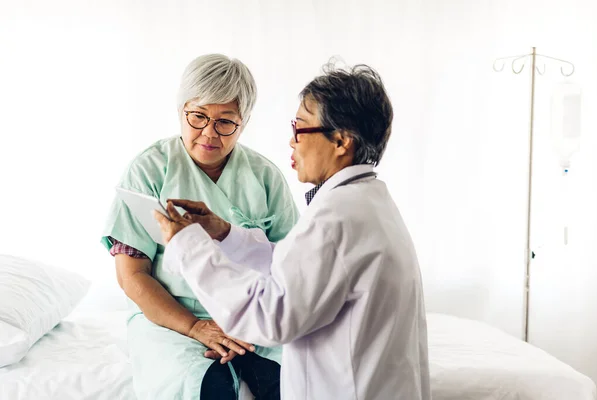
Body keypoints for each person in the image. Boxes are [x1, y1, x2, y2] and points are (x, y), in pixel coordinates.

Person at [155, 62, 431, 399]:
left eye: (300, 128)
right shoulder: (369, 203)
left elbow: (268, 316)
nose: (292, 140)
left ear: (341, 142)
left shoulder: (336, 219)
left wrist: (189, 246)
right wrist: (227, 234)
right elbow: (303, 269)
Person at [101, 54, 299, 399]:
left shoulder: (266, 177)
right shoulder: (149, 171)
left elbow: (291, 268)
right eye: (198, 117)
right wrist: (195, 327)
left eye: (226, 122)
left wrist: (251, 325)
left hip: (253, 317)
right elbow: (132, 275)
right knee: (207, 386)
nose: (209, 133)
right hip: (171, 320)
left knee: (290, 380)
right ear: (182, 111)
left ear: (244, 122)